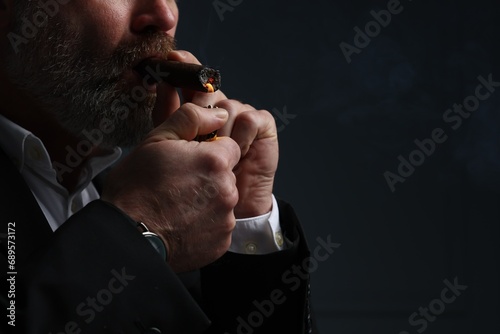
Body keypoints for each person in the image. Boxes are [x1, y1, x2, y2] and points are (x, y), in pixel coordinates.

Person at [0, 1, 314, 333]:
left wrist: (246, 226)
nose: (165, 16)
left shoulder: (157, 197)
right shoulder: (146, 210)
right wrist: (140, 231)